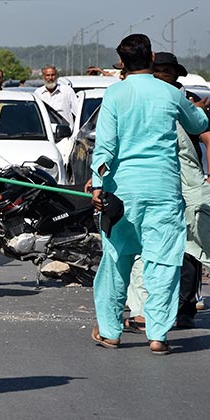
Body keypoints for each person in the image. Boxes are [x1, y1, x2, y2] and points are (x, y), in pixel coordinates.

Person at [89, 34, 208, 355]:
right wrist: (195, 106)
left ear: (123, 63)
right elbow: (199, 123)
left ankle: (112, 331)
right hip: (164, 191)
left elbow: (105, 147)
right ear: (152, 57)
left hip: (121, 192)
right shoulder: (170, 93)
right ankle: (158, 335)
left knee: (116, 260)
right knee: (163, 262)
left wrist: (97, 184)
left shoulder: (115, 93)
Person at [122, 51, 210, 331]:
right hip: (159, 188)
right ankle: (147, 312)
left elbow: (206, 133)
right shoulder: (144, 99)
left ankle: (179, 308)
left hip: (187, 188)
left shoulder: (181, 103)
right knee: (150, 249)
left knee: (189, 251)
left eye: (163, 71)